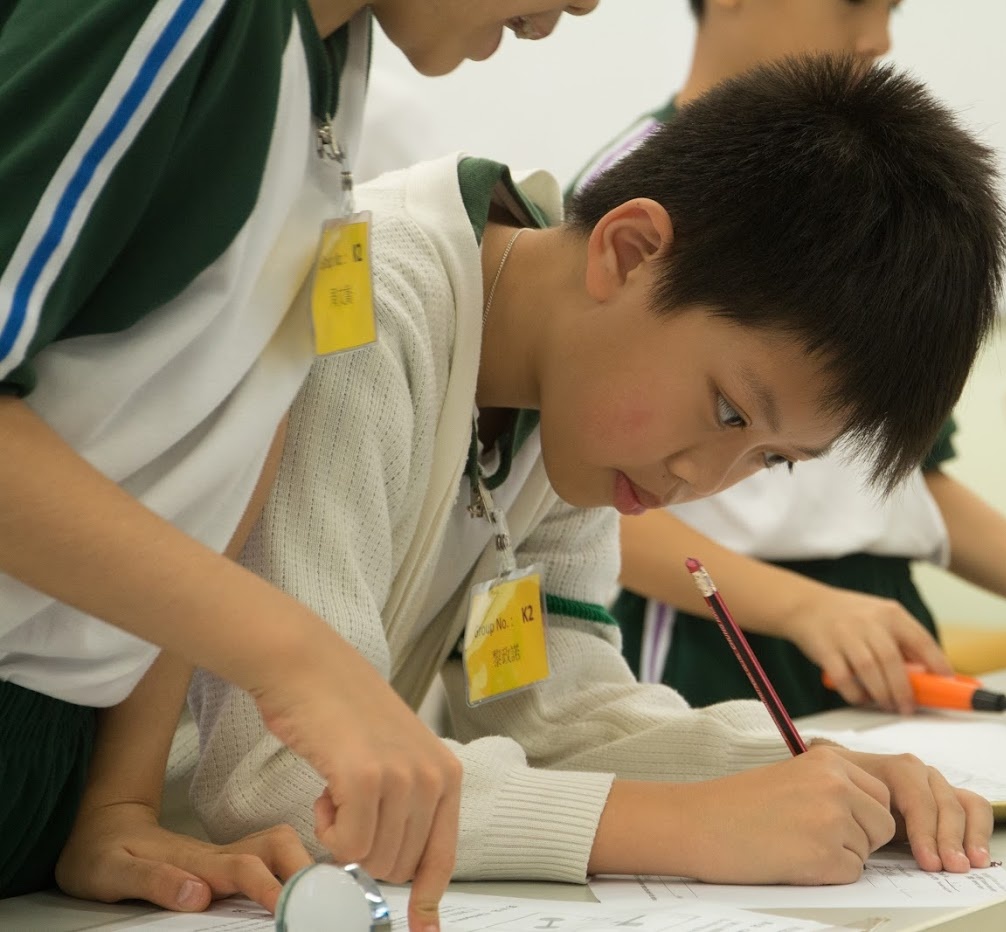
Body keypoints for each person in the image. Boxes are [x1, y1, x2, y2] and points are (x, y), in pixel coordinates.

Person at [190, 55, 1006, 886]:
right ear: (628, 252)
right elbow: (281, 779)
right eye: (729, 411)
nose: (704, 478)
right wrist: (688, 827)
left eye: (771, 459)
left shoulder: (574, 397)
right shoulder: (362, 308)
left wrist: (813, 773)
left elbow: (556, 714)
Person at [0, 1, 595, 926]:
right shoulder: (187, 20)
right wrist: (296, 656)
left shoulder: (328, 61)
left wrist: (119, 800)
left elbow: (219, 439)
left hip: (55, 751)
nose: (584, 8)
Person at [569, 0, 1006, 719]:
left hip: (879, 631)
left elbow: (908, 480)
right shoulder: (629, 195)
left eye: (892, 9)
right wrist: (803, 608)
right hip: (717, 635)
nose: (878, 39)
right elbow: (578, 494)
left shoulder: (883, 203)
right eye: (853, 3)